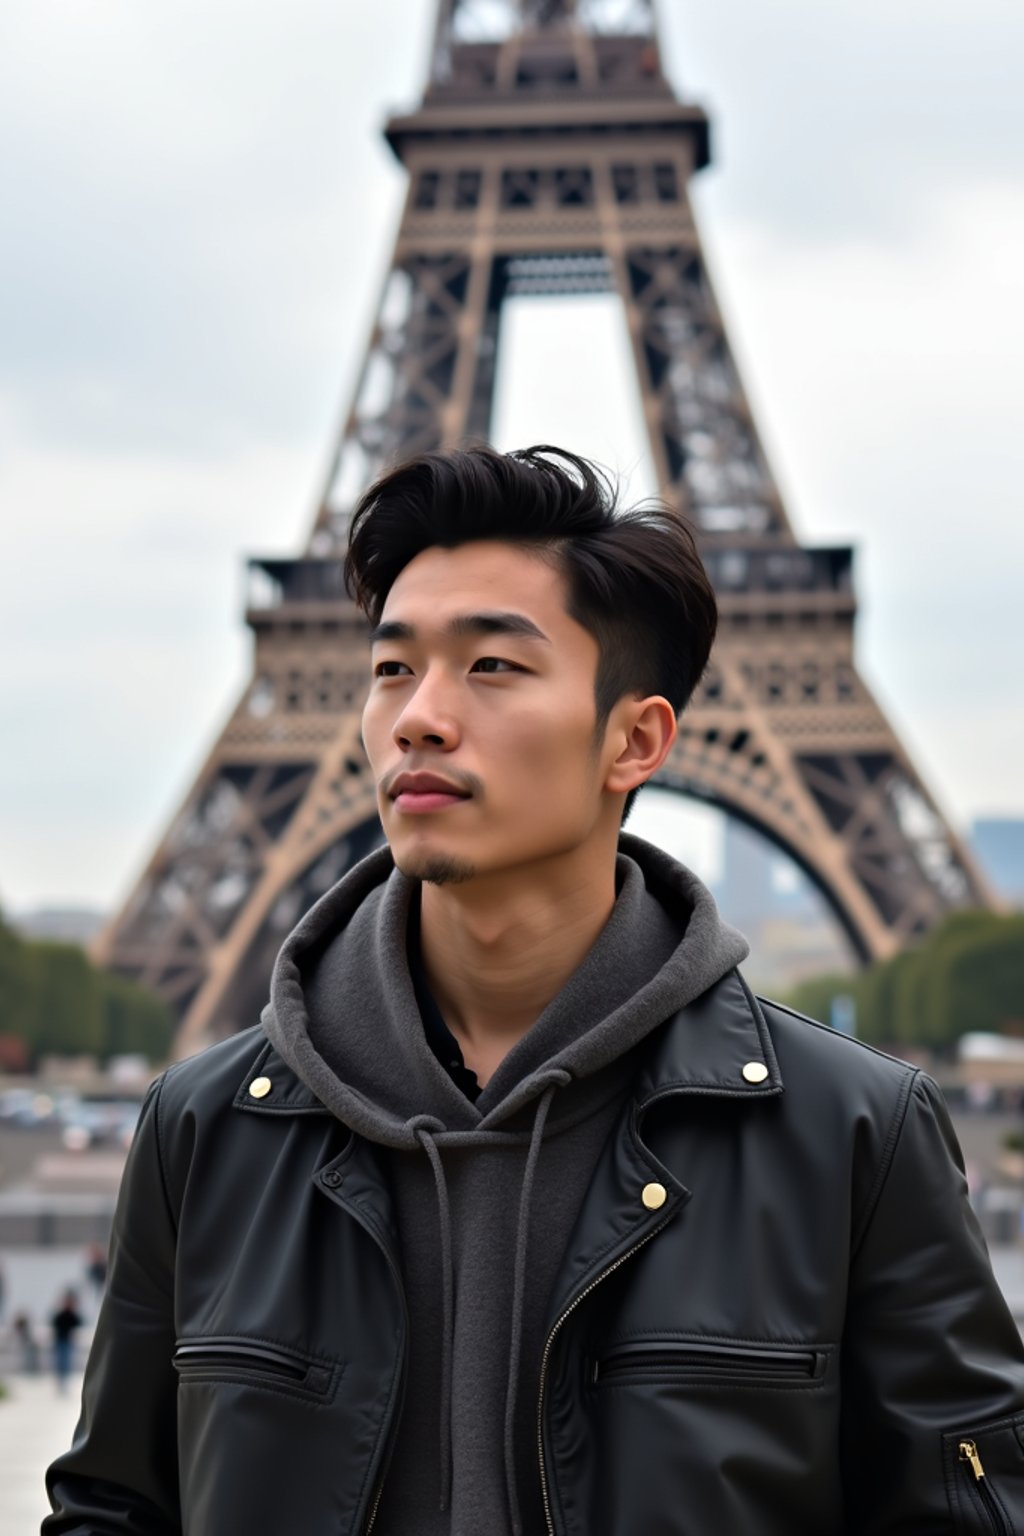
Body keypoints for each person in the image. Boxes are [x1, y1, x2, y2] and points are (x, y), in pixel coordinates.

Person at [45, 445, 1024, 1533]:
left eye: (492, 667)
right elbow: (115, 1509)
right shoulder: (201, 1127)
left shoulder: (856, 1135)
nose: (418, 714)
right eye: (390, 668)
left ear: (634, 739)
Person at [50, 1290, 82, 1396]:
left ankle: (64, 1384)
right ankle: (60, 1384)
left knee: (66, 1363)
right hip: (60, 1342)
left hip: (67, 1342)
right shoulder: (61, 1314)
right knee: (60, 1363)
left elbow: (79, 1323)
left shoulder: (71, 1315)